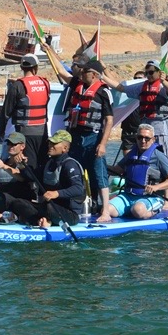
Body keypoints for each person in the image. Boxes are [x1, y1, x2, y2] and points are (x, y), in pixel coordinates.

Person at [64, 58, 117, 221]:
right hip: (75, 137)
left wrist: (102, 144)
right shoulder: (77, 86)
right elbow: (60, 71)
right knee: (73, 172)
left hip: (93, 137)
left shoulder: (102, 92)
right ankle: (76, 206)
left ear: (94, 75)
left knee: (99, 174)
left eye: (85, 71)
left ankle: (105, 211)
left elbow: (109, 120)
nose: (81, 73)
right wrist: (49, 50)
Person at [0, 130, 87, 228]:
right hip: (48, 207)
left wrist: (56, 193)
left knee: (48, 207)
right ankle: (41, 220)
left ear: (65, 148)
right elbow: (31, 177)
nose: (50, 145)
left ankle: (42, 220)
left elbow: (78, 189)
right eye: (50, 142)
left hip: (69, 214)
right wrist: (22, 165)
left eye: (54, 143)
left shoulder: (70, 165)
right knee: (17, 202)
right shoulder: (48, 163)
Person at [104, 123, 168, 220]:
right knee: (106, 209)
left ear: (153, 139)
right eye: (140, 137)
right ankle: (129, 210)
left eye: (147, 138)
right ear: (136, 138)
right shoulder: (131, 154)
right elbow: (116, 170)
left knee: (138, 210)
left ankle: (154, 210)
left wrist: (156, 187)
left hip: (151, 197)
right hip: (128, 196)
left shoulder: (158, 156)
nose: (143, 141)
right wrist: (101, 165)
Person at [0, 55, 52, 173]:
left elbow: (6, 112)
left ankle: (28, 188)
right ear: (36, 68)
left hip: (24, 134)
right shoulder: (45, 83)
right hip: (42, 133)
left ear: (22, 67)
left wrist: (0, 132)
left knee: (27, 166)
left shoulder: (17, 86)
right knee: (41, 164)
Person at [115, 59, 168, 159]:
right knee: (145, 155)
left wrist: (163, 80)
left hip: (160, 127)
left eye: (151, 72)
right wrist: (102, 76)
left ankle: (165, 174)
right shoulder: (142, 86)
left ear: (159, 72)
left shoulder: (161, 85)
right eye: (146, 73)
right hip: (146, 125)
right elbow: (121, 88)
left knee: (162, 157)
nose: (148, 75)